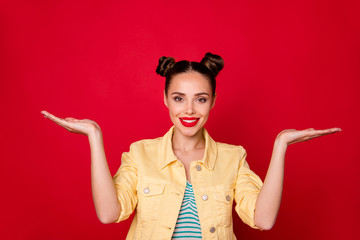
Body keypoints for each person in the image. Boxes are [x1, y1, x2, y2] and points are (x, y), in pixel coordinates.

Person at [41, 52, 341, 239]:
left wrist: (280, 145)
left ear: (212, 102)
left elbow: (263, 220)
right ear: (165, 100)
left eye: (200, 99)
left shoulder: (233, 157)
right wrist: (95, 137)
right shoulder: (139, 153)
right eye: (178, 98)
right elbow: (109, 214)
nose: (189, 110)